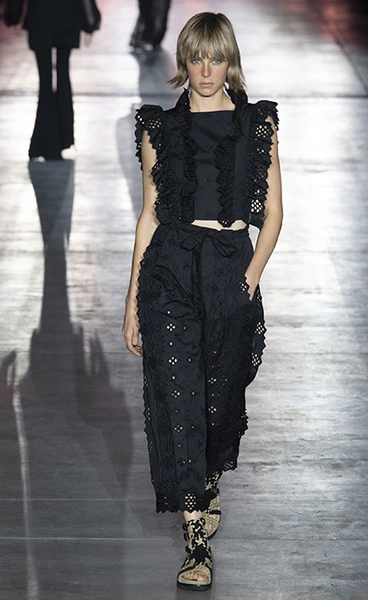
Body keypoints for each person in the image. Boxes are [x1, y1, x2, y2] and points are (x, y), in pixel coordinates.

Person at [122, 12, 283, 591]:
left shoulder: (257, 124)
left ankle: (209, 483)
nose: (207, 70)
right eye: (197, 58)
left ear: (230, 61)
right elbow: (149, 215)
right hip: (170, 268)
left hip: (229, 267)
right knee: (180, 400)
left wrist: (251, 276)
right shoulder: (160, 128)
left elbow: (274, 213)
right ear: (184, 62)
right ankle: (196, 541)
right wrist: (132, 301)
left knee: (219, 401)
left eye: (217, 59)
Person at [4, 0, 101, 160]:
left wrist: (13, 16)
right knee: (63, 76)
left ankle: (43, 143)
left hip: (40, 15)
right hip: (68, 15)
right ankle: (64, 140)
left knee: (45, 82)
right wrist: (90, 22)